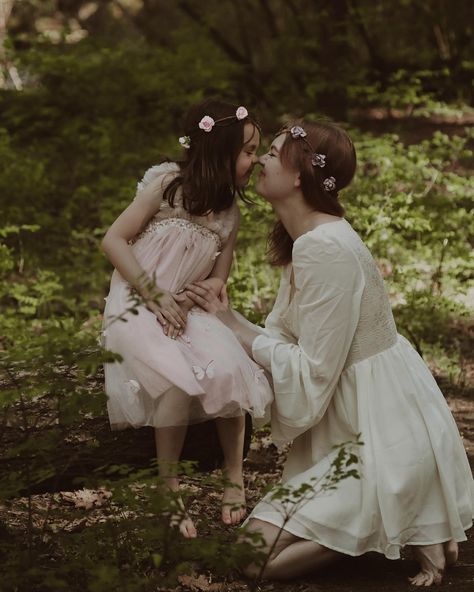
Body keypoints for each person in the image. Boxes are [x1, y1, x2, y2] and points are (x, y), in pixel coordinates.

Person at [185, 120, 474, 584]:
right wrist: (228, 318)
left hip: (376, 433)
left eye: (272, 152)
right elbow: (291, 344)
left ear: (299, 174)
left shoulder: (324, 247)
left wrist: (232, 327)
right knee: (253, 553)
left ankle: (397, 520)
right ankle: (399, 524)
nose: (260, 159)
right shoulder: (312, 239)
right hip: (357, 419)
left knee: (253, 559)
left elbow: (313, 371)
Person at [100, 99, 273, 538]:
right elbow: (114, 241)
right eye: (249, 152)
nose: (255, 160)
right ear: (219, 151)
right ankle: (169, 487)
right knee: (177, 377)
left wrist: (212, 288)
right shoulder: (166, 184)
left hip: (188, 307)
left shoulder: (229, 213)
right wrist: (154, 294)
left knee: (231, 364)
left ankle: (234, 475)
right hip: (140, 300)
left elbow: (220, 273)